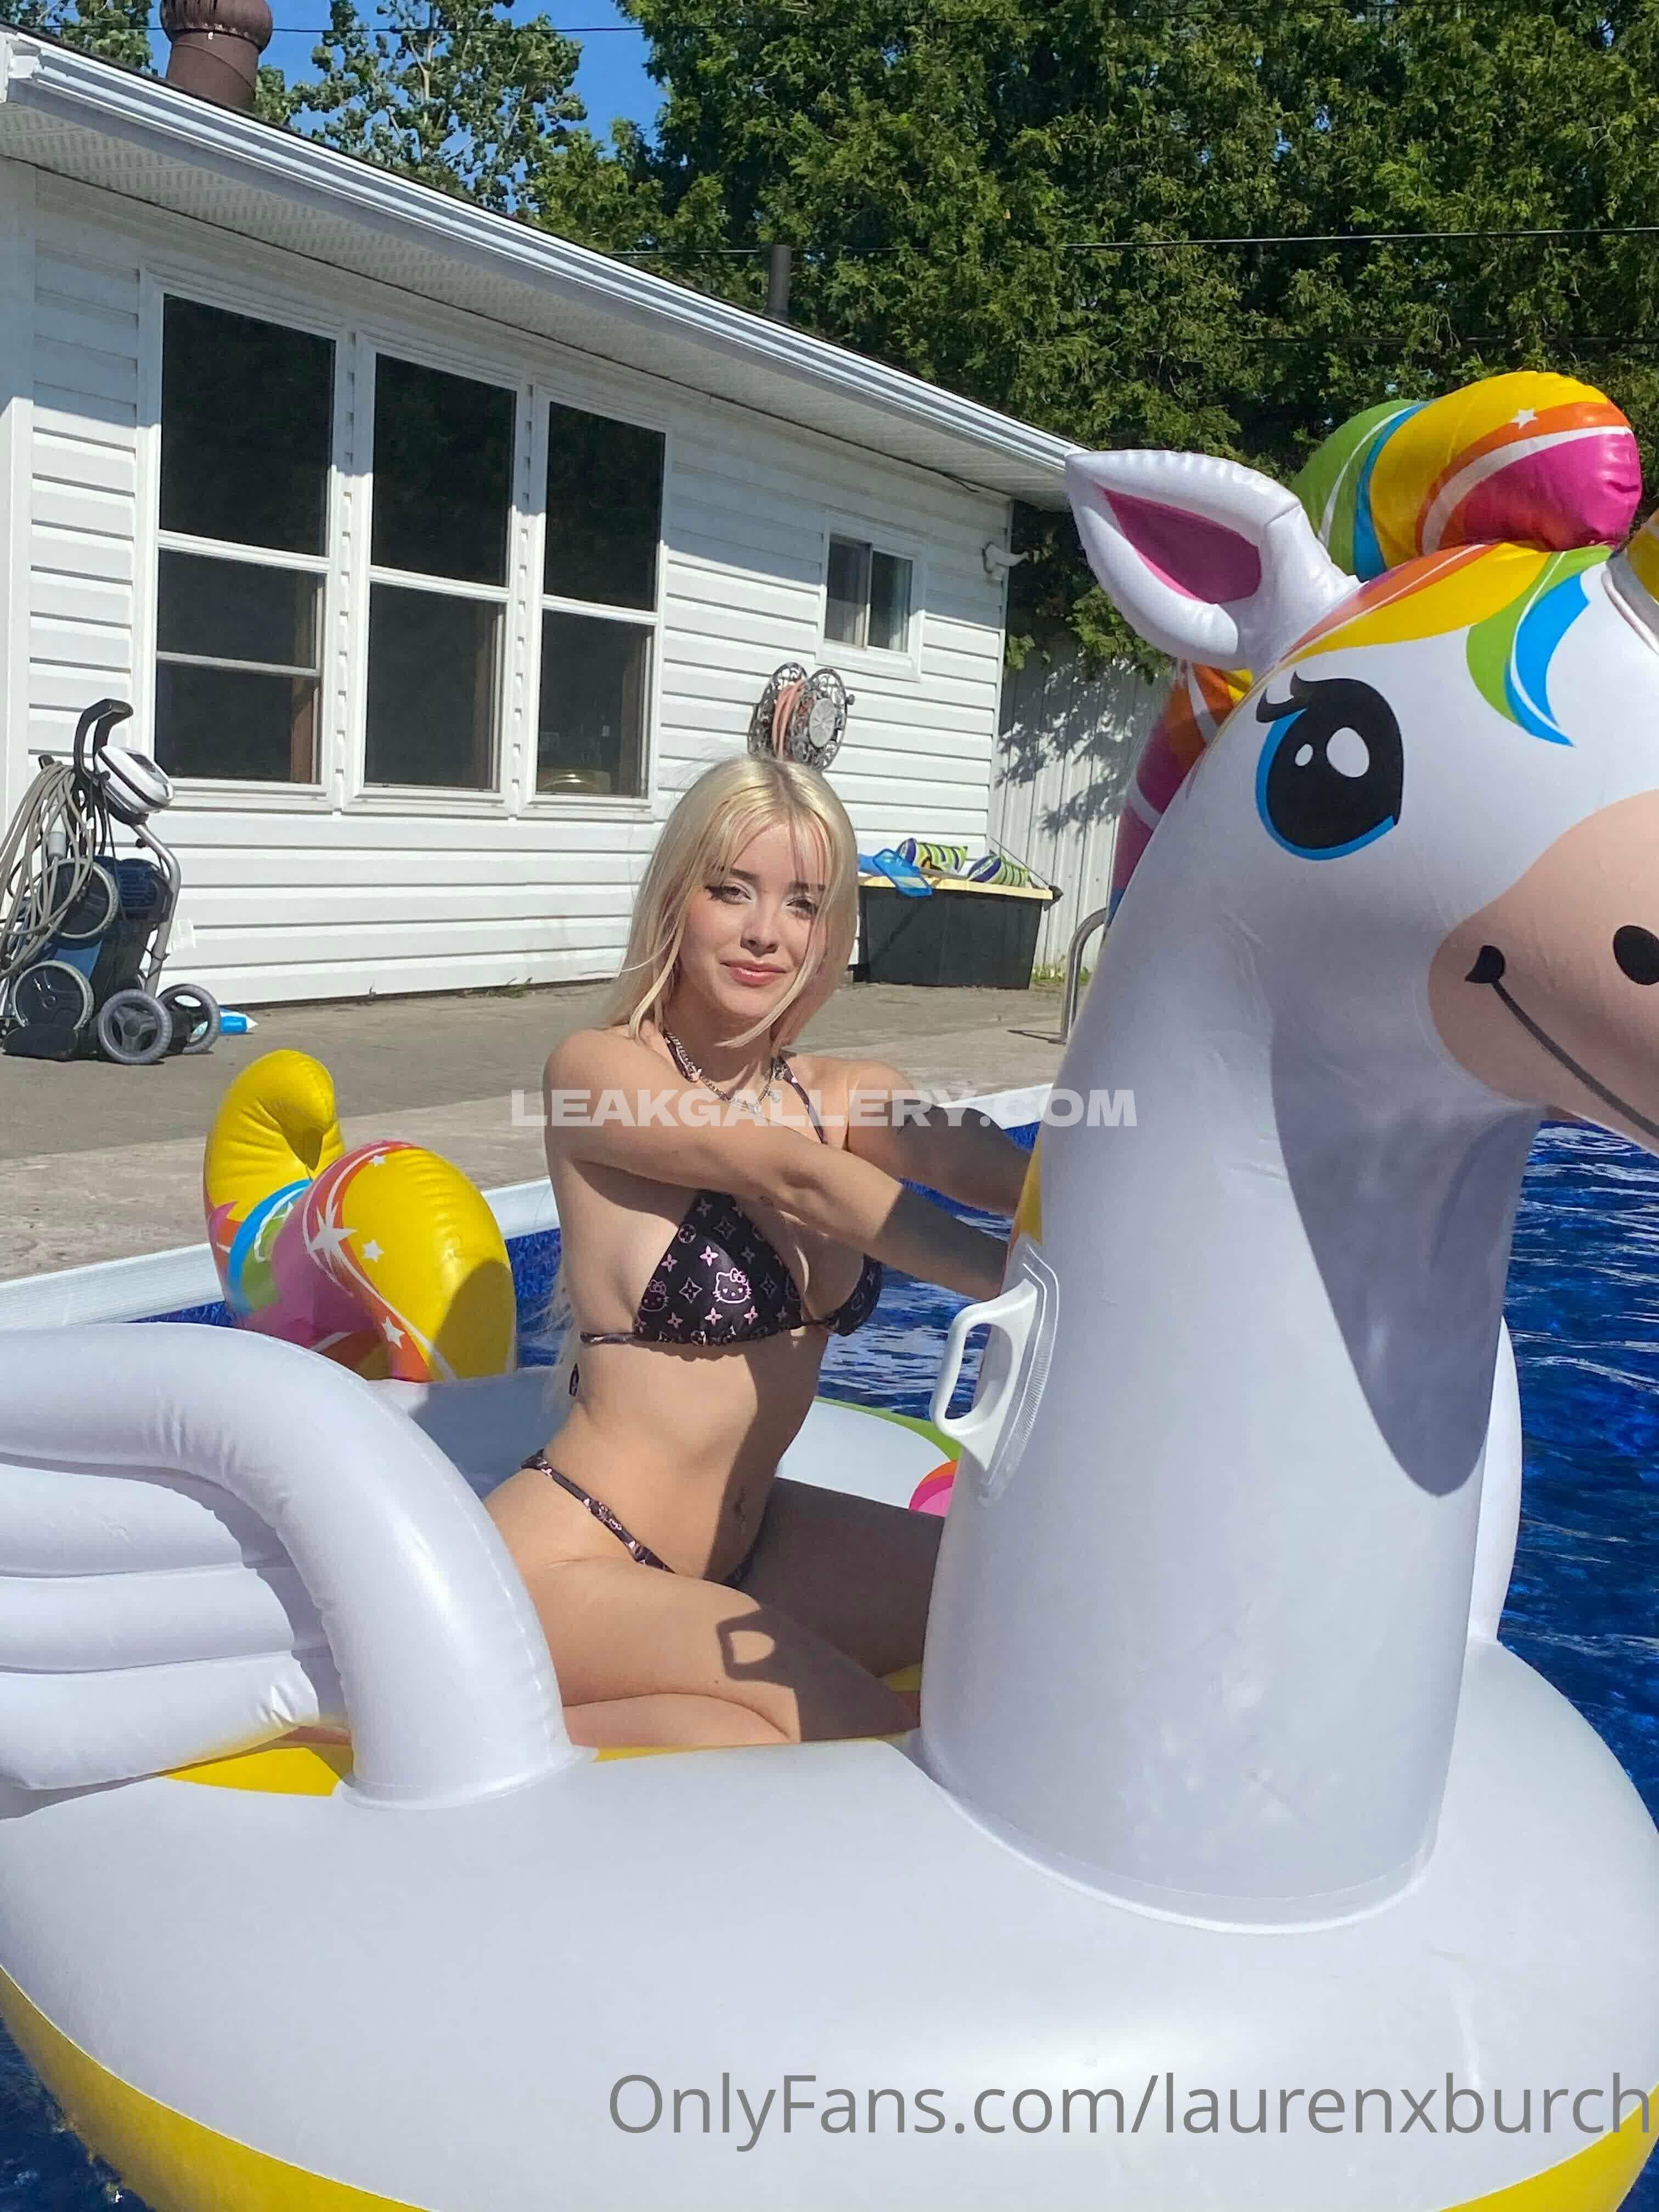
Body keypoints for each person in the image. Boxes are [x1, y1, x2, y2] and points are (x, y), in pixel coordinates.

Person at [486, 753, 1030, 1750]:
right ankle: (497, 1724)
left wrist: (1104, 1192)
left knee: (1019, 1610)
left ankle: (638, 1725)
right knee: (853, 1734)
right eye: (731, 890)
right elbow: (794, 1176)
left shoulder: (837, 1090)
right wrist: (1021, 1285)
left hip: (759, 1544)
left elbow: (967, 1154)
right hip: (580, 1558)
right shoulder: (597, 1071)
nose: (764, 933)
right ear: (675, 899)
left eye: (803, 903)